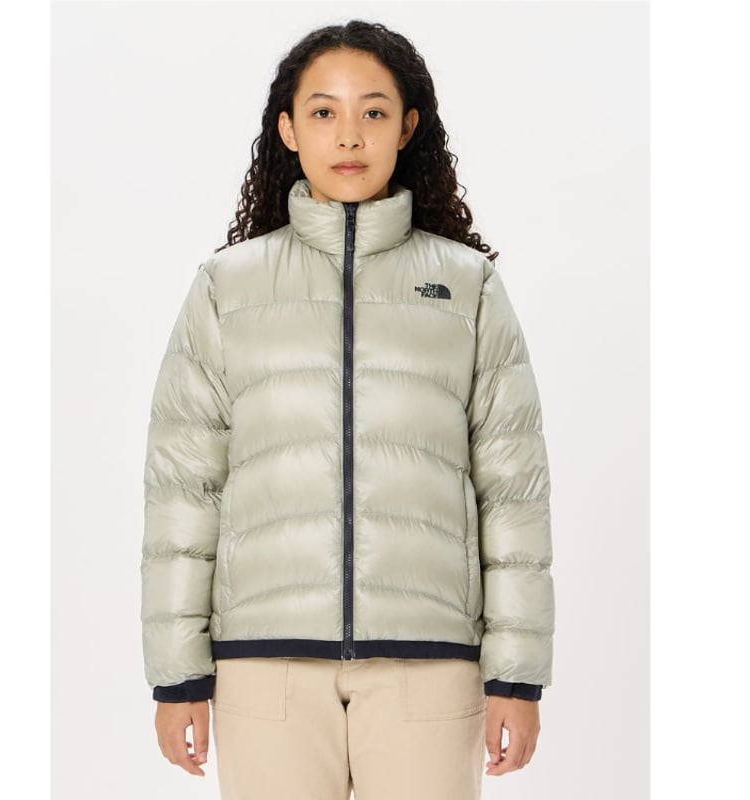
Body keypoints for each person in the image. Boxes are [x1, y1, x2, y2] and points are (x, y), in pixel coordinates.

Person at [140, 19, 555, 800]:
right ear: (289, 130)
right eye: (324, 112)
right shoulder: (227, 287)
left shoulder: (467, 287)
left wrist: (517, 676)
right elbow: (183, 490)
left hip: (430, 663)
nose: (350, 135)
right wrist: (176, 674)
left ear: (408, 126)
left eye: (373, 111)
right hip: (264, 664)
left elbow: (514, 492)